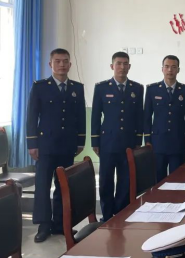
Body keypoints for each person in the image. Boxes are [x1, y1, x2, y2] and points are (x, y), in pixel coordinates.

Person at [26, 48, 86, 243]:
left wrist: (80, 141)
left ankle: (61, 224)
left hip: (67, 145)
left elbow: (81, 117)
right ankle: (44, 225)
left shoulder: (77, 88)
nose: (62, 64)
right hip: (45, 146)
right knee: (42, 186)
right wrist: (32, 143)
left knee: (63, 186)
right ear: (50, 64)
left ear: (70, 64)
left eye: (65, 61)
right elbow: (32, 116)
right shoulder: (40, 87)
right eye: (58, 61)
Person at [91, 52, 144, 222]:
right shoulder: (101, 88)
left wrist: (138, 140)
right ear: (112, 66)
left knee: (125, 180)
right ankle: (107, 216)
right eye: (118, 63)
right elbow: (95, 116)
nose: (122, 67)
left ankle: (120, 213)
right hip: (108, 142)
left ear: (129, 66)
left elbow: (140, 116)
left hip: (129, 142)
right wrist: (95, 141)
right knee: (106, 180)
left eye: (125, 63)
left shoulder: (137, 88)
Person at [144, 55, 185, 182]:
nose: (170, 70)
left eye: (173, 67)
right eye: (167, 67)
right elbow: (147, 117)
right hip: (157, 143)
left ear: (178, 70)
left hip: (178, 143)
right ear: (162, 69)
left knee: (177, 180)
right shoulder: (152, 90)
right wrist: (147, 140)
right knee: (157, 181)